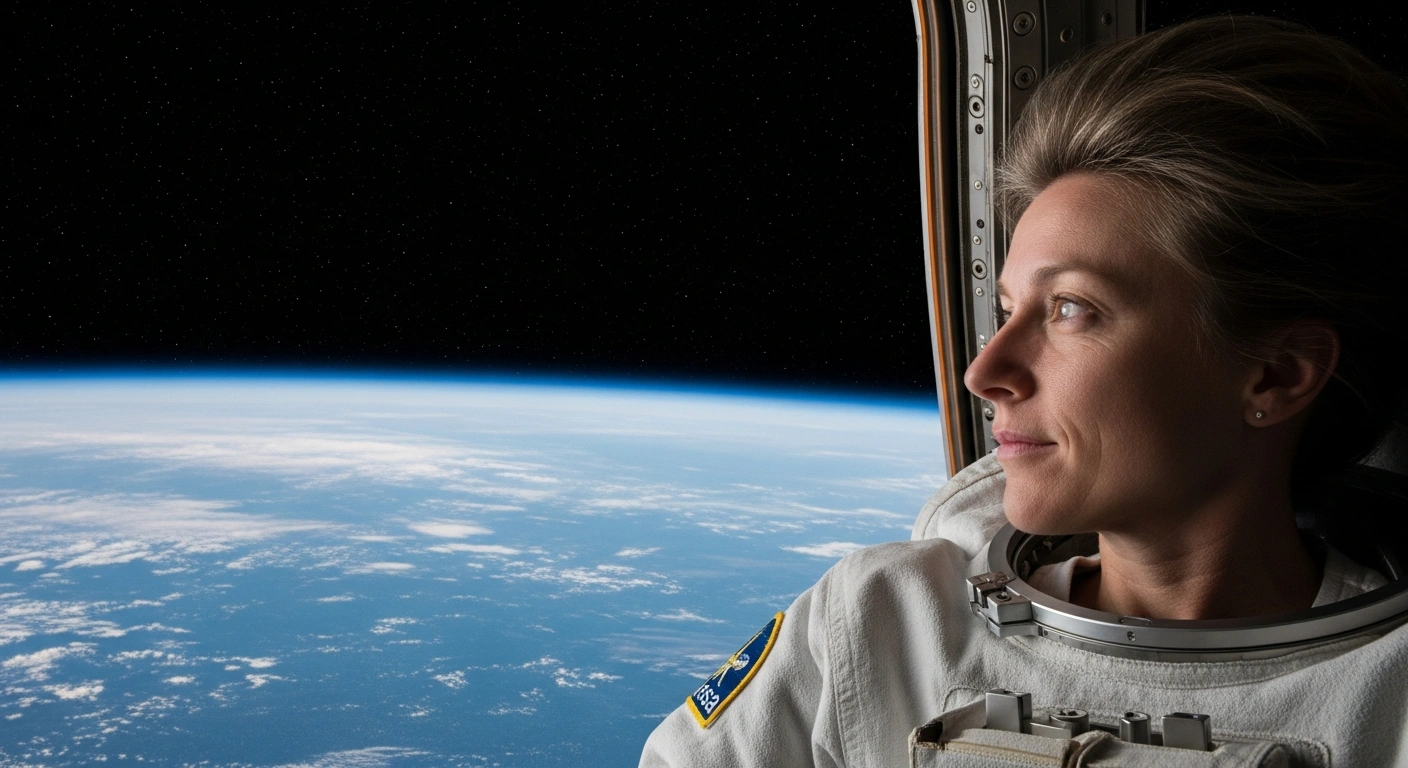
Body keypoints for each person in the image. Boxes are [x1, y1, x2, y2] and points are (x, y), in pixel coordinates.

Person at [640, 15, 1408, 766]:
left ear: (1277, 373)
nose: (986, 372)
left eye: (1071, 308)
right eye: (1008, 311)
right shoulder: (882, 624)